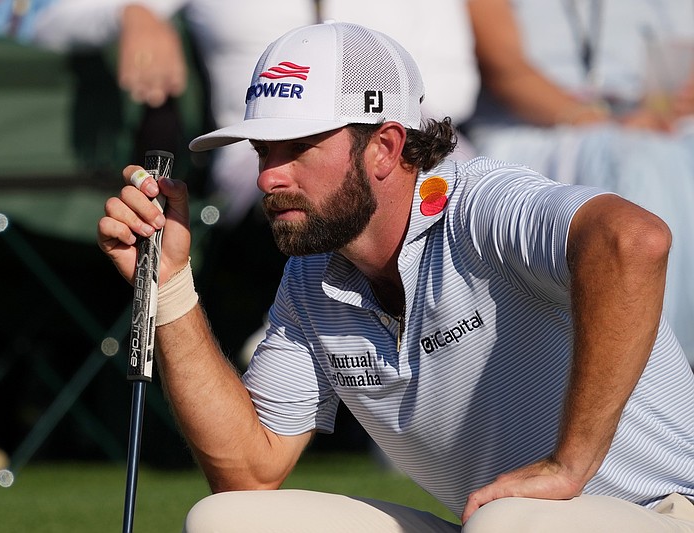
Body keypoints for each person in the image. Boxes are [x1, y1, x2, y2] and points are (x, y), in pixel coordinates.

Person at [97, 21, 694, 532]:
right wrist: (170, 285)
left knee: (507, 522)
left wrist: (569, 466)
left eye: (298, 147)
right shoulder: (311, 278)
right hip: (495, 522)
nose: (267, 178)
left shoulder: (481, 206)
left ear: (385, 146)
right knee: (226, 520)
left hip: (664, 512)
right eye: (262, 151)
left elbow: (635, 241)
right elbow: (248, 471)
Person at [36, 0, 480, 360]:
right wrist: (130, 12)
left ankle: (407, 356)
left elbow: (455, 87)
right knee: (292, 170)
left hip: (411, 134)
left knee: (452, 187)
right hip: (247, 152)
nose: (274, 179)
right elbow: (48, 22)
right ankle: (346, 346)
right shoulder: (270, 169)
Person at [464, 0, 694, 366]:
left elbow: (681, 54)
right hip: (538, 128)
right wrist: (604, 123)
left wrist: (667, 103)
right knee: (641, 167)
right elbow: (506, 69)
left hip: (646, 122)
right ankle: (647, 367)